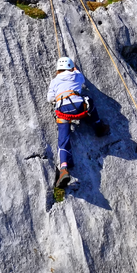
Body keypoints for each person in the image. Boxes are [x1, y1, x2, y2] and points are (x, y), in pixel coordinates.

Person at [46, 57, 109, 189]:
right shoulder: (76, 74)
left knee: (63, 139)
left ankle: (64, 168)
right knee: (89, 101)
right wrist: (74, 68)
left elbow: (50, 98)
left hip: (63, 110)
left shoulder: (54, 81)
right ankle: (98, 126)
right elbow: (82, 81)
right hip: (79, 106)